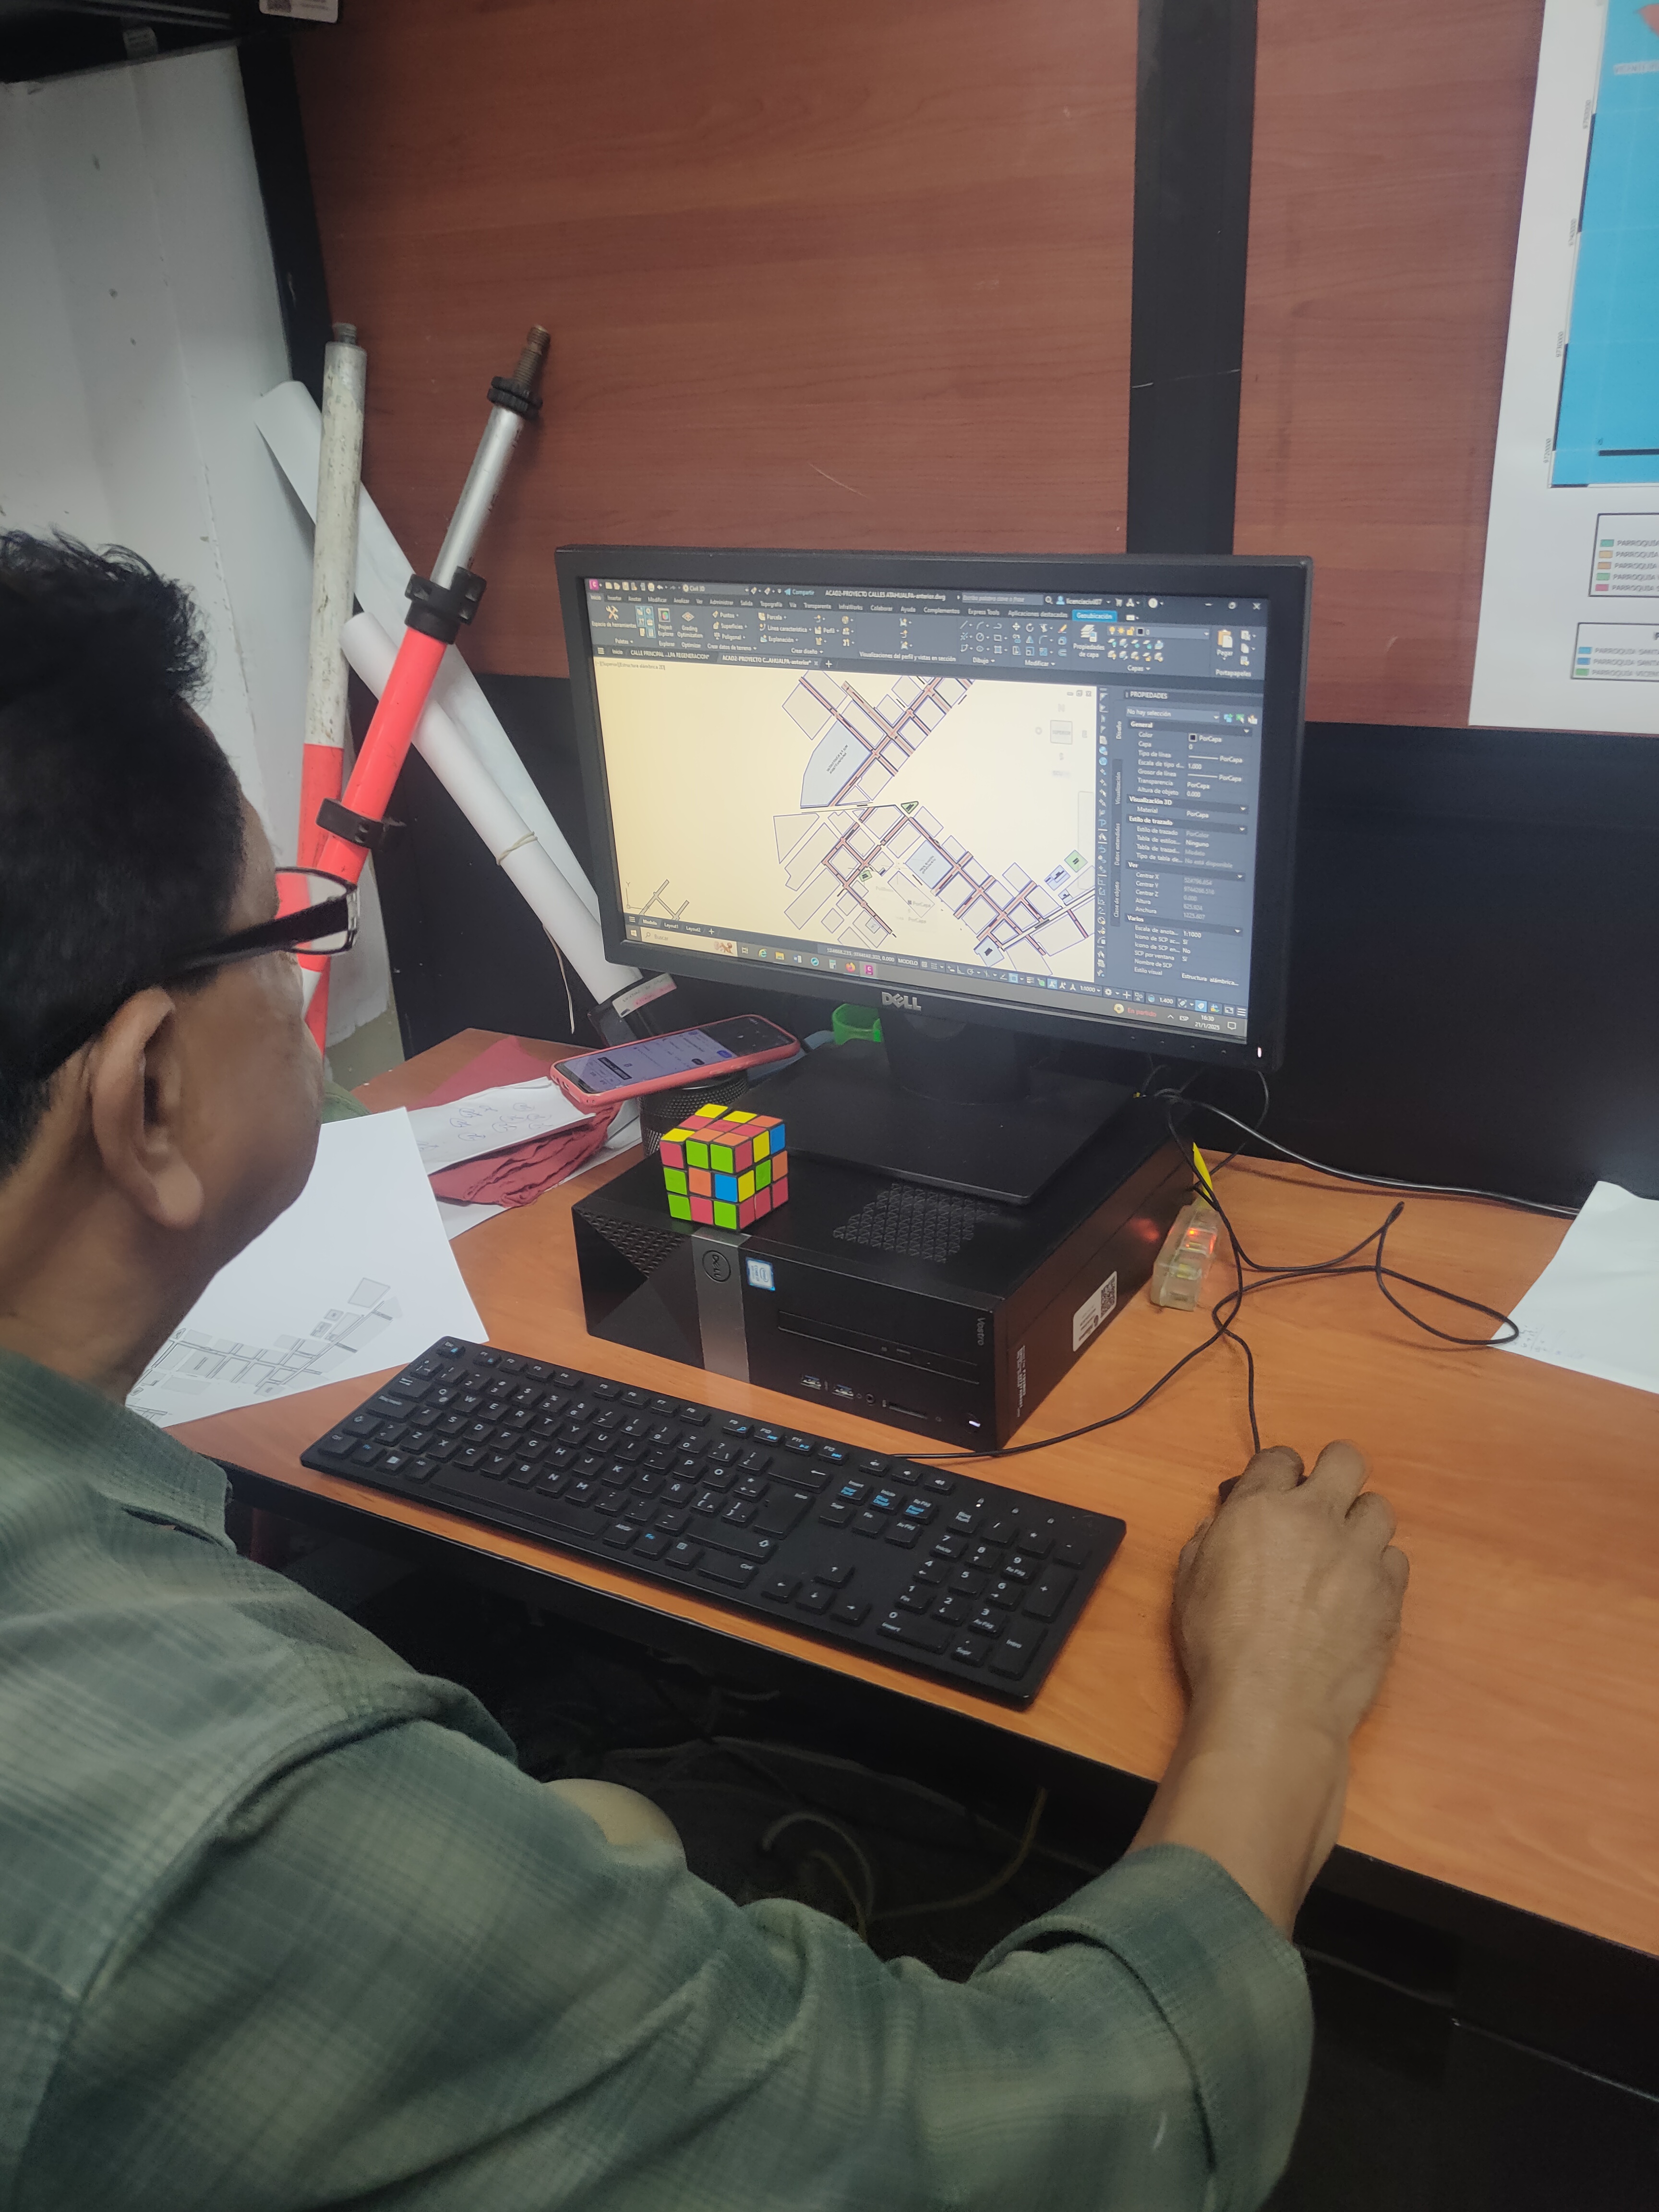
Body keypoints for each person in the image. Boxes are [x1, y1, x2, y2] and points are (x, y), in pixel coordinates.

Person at [0, 533, 1408, 2212]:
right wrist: (1275, 1701)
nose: (310, 987)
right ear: (153, 1097)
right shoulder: (240, 1814)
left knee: (611, 1823)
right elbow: (1041, 2134)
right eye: (288, 933)